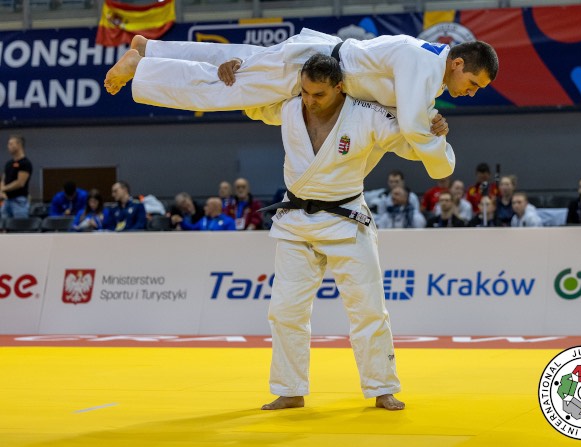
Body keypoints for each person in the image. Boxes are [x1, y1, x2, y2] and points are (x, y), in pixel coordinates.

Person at [245, 54, 455, 411]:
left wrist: (432, 129)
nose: (310, 100)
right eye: (306, 92)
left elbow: (409, 139)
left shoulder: (366, 114)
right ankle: (290, 388)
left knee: (368, 310)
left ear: (340, 87)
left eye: (319, 94)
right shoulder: (290, 107)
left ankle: (382, 387)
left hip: (347, 220)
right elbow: (251, 103)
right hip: (296, 221)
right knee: (285, 311)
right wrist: (234, 72)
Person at [104, 30, 497, 179]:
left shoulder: (427, 71)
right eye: (473, 83)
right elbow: (410, 126)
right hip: (312, 68)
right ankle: (142, 67)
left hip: (317, 62)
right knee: (224, 88)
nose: (471, 92)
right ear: (458, 63)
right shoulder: (425, 63)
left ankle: (150, 49)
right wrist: (441, 156)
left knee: (239, 62)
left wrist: (431, 121)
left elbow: (409, 115)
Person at [1, 135, 32, 219]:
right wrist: (2, 191)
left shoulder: (25, 163)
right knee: (3, 223)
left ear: (19, 145)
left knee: (19, 224)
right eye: (8, 144)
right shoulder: (8, 164)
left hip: (19, 201)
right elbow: (4, 179)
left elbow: (20, 183)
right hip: (7, 200)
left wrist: (4, 188)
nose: (8, 146)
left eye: (11, 144)